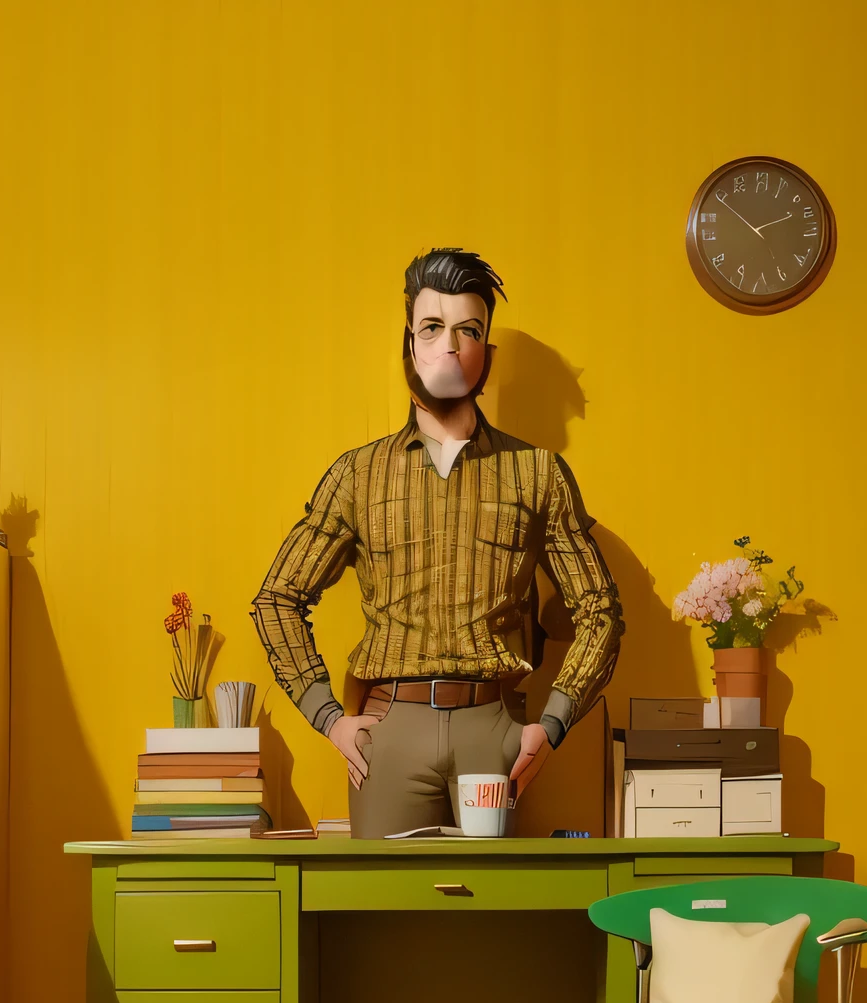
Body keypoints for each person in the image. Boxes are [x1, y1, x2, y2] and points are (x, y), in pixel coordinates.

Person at [251, 248, 623, 838]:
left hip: (496, 729)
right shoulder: (358, 474)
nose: (449, 345)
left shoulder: (538, 473)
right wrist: (328, 717)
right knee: (384, 910)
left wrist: (550, 726)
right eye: (432, 327)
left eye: (467, 330)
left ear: (486, 355)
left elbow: (599, 609)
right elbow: (278, 598)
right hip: (388, 733)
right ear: (409, 343)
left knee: (487, 912)